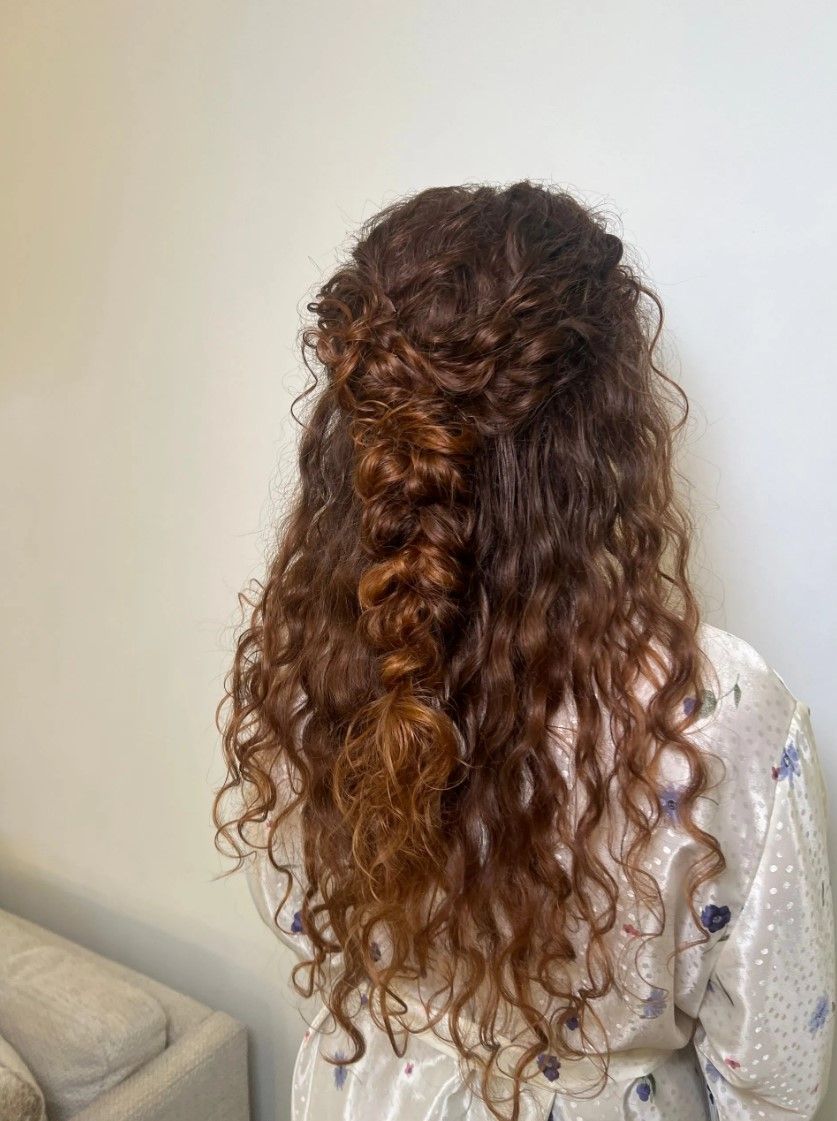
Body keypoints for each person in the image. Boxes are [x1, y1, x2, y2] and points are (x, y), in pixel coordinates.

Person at [212, 181, 835, 1121]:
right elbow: (776, 1079)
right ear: (603, 443)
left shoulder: (311, 665)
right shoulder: (718, 714)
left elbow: (303, 922)